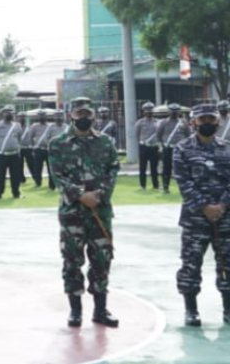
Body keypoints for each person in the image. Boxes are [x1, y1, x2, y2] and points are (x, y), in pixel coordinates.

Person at [48, 97, 121, 327]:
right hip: (72, 212)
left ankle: (100, 309)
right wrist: (81, 195)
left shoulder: (106, 142)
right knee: (72, 259)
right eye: (80, 114)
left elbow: (113, 169)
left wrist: (99, 195)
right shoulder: (58, 143)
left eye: (87, 114)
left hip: (100, 211)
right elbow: (58, 176)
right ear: (71, 115)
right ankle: (75, 310)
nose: (84, 118)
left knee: (102, 258)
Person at [172, 104, 230, 326]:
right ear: (193, 122)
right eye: (202, 119)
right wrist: (205, 206)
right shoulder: (183, 149)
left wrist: (222, 205)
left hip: (225, 218)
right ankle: (191, 310)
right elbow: (183, 182)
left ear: (218, 122)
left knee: (227, 263)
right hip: (195, 218)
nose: (207, 123)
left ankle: (228, 308)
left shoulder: (227, 148)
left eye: (211, 119)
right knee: (190, 264)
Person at [158, 102, 187, 194]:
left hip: (180, 149)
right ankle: (165, 187)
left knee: (181, 168)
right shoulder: (163, 123)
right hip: (168, 148)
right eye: (172, 111)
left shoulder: (183, 123)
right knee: (166, 168)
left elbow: (188, 135)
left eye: (176, 111)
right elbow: (159, 135)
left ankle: (183, 187)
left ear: (179, 112)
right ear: (169, 112)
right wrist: (163, 145)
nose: (174, 113)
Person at [136, 101, 161, 189]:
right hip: (144, 146)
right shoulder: (140, 122)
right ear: (143, 111)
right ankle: (142, 185)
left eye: (150, 110)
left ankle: (156, 185)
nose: (149, 112)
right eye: (147, 110)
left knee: (154, 167)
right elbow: (137, 135)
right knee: (142, 167)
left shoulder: (158, 122)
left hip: (154, 147)